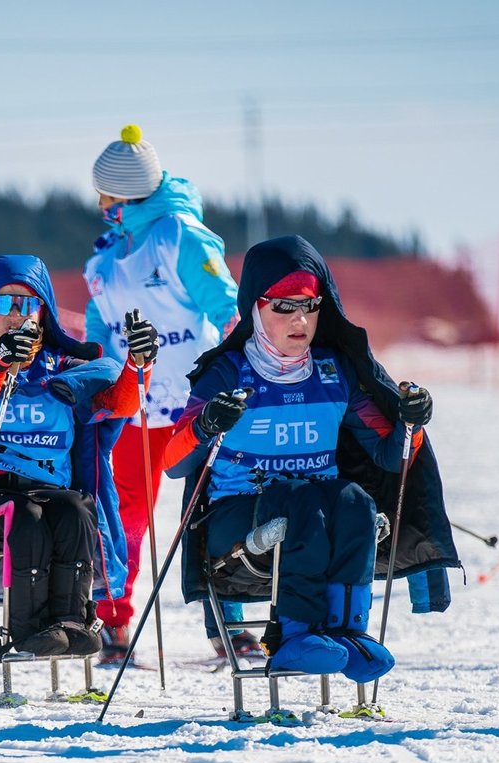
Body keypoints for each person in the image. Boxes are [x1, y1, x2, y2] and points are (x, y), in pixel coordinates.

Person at [164, 236, 459, 679]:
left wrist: (411, 424)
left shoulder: (333, 372)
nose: (300, 319)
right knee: (301, 501)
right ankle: (294, 635)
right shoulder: (227, 372)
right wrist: (206, 424)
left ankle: (348, 631)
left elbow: (390, 455)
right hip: (235, 519)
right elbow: (174, 464)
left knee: (355, 500)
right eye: (284, 306)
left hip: (313, 512)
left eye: (310, 305)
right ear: (254, 308)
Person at [0, 255, 145, 658]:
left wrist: (140, 365)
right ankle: (28, 628)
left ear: (44, 312)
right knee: (24, 514)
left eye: (28, 304)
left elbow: (119, 403)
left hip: (46, 494)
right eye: (4, 303)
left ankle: (71, 621)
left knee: (76, 509)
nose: (16, 314)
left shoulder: (65, 370)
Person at [82, 125, 245, 663]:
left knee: (211, 506)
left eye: (106, 195)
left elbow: (226, 307)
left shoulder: (179, 234)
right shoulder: (105, 257)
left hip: (197, 403)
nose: (100, 205)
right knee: (126, 515)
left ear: (128, 194)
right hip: (137, 407)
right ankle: (112, 622)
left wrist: (243, 368)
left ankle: (230, 621)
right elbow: (99, 332)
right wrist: (92, 374)